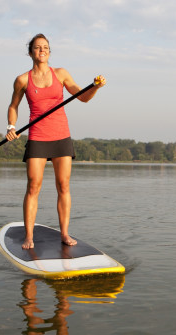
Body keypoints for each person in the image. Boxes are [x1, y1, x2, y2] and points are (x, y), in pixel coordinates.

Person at [6, 33, 105, 249]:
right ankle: (29, 236)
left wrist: (94, 87)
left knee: (64, 185)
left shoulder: (61, 74)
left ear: (49, 52)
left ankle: (65, 234)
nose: (42, 50)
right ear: (30, 51)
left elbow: (82, 96)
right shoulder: (22, 80)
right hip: (38, 137)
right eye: (37, 47)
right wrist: (11, 127)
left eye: (45, 47)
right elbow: (14, 106)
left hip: (61, 136)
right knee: (33, 186)